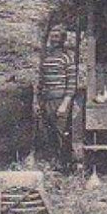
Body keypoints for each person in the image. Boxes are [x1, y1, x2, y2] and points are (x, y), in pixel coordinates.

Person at [34, 26, 78, 170]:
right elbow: (41, 81)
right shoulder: (46, 58)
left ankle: (66, 166)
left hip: (60, 101)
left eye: (57, 37)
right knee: (48, 133)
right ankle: (54, 164)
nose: (53, 40)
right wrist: (38, 101)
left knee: (62, 133)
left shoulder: (66, 58)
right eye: (52, 37)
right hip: (46, 100)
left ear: (62, 40)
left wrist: (65, 104)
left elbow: (71, 84)